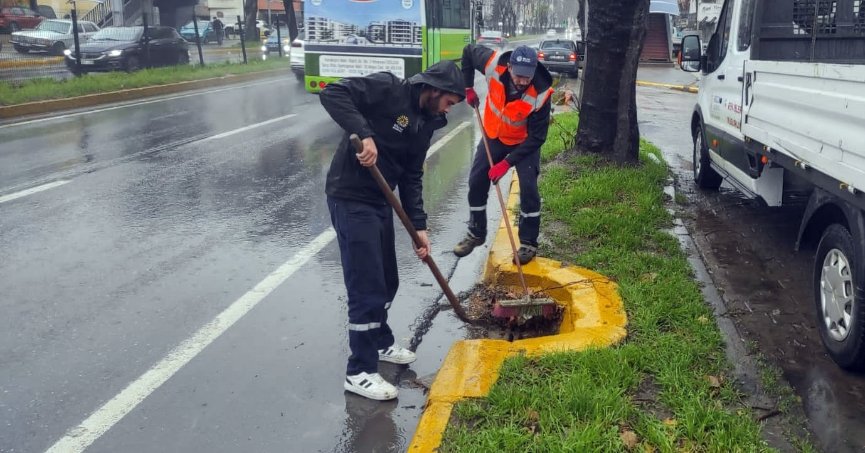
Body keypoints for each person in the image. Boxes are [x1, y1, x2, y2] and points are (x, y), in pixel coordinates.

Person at [320, 61, 465, 401]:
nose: (448, 109)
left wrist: (420, 226)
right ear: (434, 88)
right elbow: (333, 93)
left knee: (387, 281)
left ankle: (381, 342)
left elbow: (413, 174)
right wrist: (365, 133)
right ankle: (359, 371)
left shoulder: (426, 122)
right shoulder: (388, 89)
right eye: (449, 102)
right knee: (367, 286)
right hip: (351, 197)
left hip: (379, 201)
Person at [452, 44, 553, 265]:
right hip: (493, 135)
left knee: (529, 189)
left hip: (523, 142)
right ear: (509, 67)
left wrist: (507, 164)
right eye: (518, 76)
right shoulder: (492, 64)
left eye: (527, 77)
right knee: (477, 180)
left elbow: (537, 138)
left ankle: (528, 243)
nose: (522, 82)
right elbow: (468, 51)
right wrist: (467, 87)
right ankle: (476, 233)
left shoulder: (542, 93)